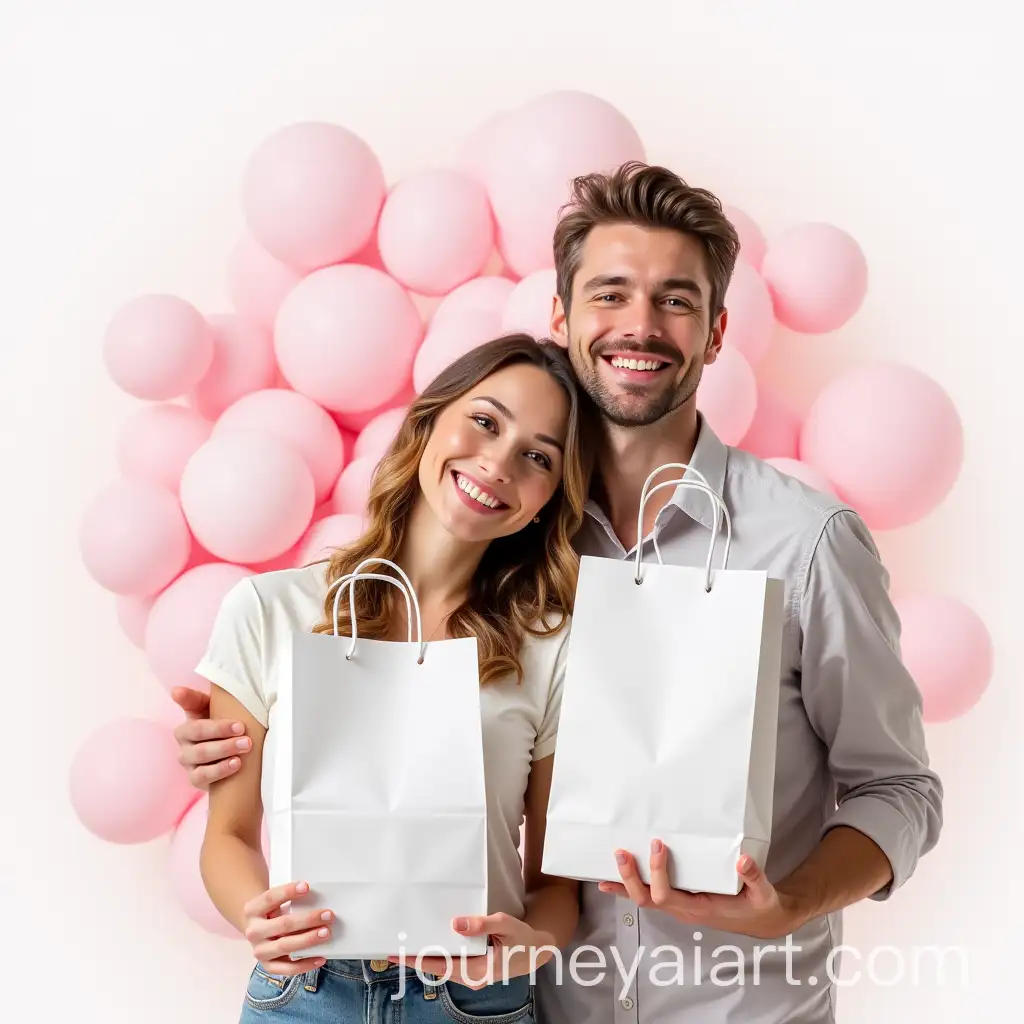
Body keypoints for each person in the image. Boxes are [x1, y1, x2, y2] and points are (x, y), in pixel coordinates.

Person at [175, 162, 943, 1023]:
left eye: (677, 301)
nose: (640, 326)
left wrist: (791, 905)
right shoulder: (516, 554)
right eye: (610, 293)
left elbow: (900, 789)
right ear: (562, 315)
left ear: (718, 332)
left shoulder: (805, 543)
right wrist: (244, 737)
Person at [193, 333, 596, 1023]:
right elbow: (227, 834)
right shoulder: (268, 610)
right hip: (305, 997)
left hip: (475, 1002)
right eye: (485, 421)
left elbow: (554, 881)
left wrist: (525, 949)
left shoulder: (550, 647)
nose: (498, 462)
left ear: (546, 501)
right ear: (428, 423)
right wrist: (256, 920)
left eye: (536, 457)